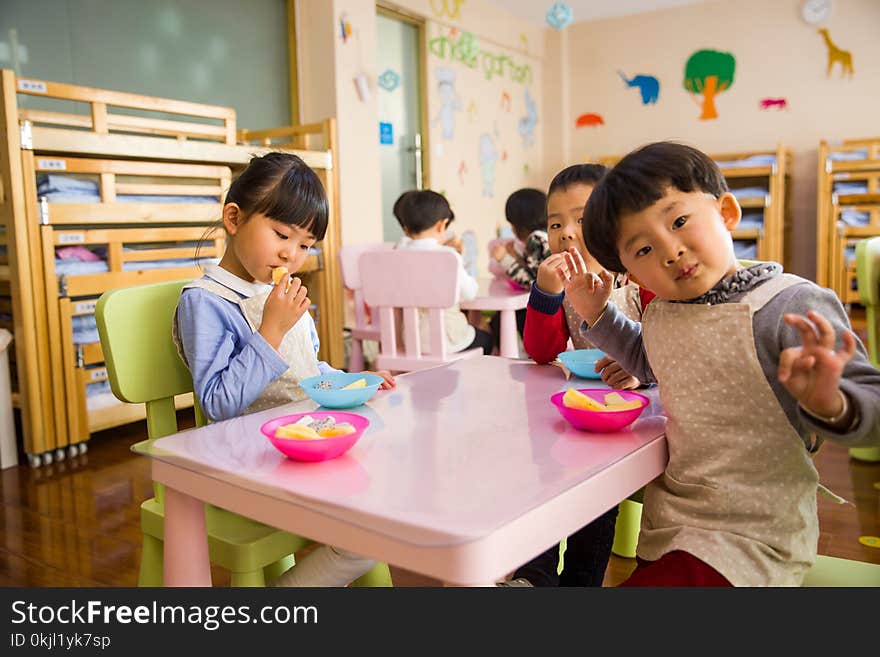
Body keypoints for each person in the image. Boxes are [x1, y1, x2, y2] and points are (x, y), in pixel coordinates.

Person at [563, 141, 880, 586]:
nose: (670, 251)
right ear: (630, 274)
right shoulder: (663, 310)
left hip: (753, 530)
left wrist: (832, 403)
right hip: (670, 520)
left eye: (678, 221)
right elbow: (650, 359)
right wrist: (597, 313)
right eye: (643, 250)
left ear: (727, 213)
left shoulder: (789, 305)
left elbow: (873, 409)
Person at [174, 152, 395, 587]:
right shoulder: (205, 301)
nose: (291, 255)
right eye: (281, 235)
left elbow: (304, 371)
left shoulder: (278, 293)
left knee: (390, 489)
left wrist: (354, 380)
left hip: (302, 443)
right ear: (234, 219)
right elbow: (217, 403)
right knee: (371, 533)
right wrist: (271, 329)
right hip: (249, 460)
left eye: (305, 245)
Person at [499, 165, 650, 588]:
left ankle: (582, 581)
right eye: (555, 223)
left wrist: (642, 369)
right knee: (546, 475)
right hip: (584, 404)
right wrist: (545, 291)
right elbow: (543, 352)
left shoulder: (642, 273)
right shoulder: (564, 284)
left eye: (582, 219)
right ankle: (533, 577)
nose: (567, 233)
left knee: (597, 495)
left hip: (640, 414)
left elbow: (671, 342)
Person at [396, 189, 494, 355]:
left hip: (412, 342)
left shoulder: (397, 254)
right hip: (448, 341)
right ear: (441, 225)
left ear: (406, 226)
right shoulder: (448, 256)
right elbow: (470, 293)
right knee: (487, 339)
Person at [488, 188, 550, 341]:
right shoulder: (544, 236)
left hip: (547, 307)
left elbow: (532, 281)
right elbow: (535, 268)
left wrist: (504, 259)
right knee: (498, 321)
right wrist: (514, 255)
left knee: (502, 321)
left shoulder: (536, 240)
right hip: (551, 302)